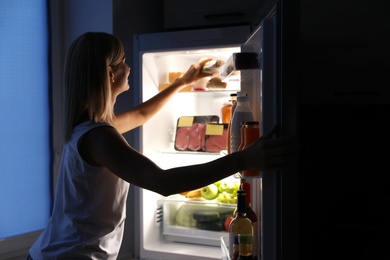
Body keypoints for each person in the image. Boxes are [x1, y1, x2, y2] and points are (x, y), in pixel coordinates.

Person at [27, 32, 296, 259]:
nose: (129, 68)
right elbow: (163, 182)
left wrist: (182, 82)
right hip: (70, 255)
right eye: (124, 62)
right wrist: (242, 160)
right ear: (110, 73)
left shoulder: (89, 129)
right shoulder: (100, 138)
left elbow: (141, 115)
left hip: (56, 250)